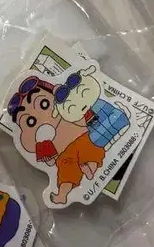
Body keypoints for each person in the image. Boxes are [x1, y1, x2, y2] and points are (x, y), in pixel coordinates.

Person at [8, 76, 105, 206]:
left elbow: (86, 117)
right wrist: (48, 154)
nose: (40, 119)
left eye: (44, 104)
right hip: (64, 155)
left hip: (81, 138)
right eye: (30, 121)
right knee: (65, 173)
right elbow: (50, 161)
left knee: (90, 150)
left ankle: (91, 167)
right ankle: (62, 195)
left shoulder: (69, 109)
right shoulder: (43, 143)